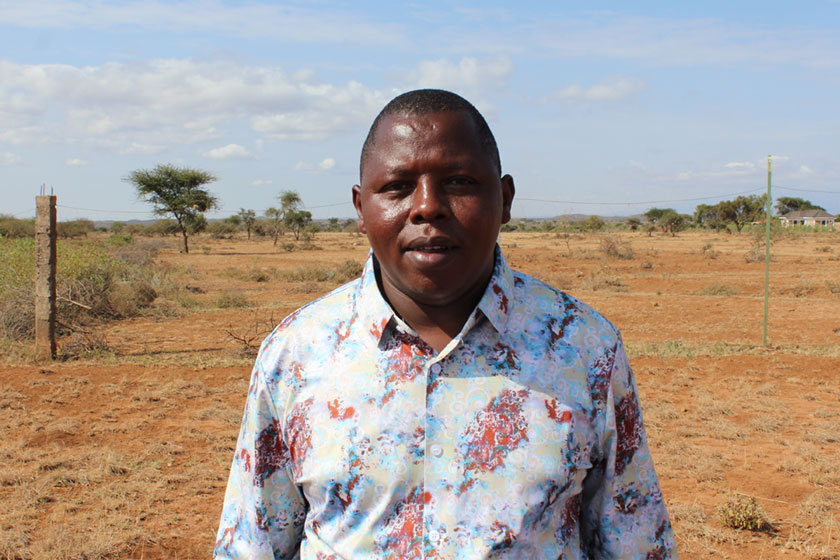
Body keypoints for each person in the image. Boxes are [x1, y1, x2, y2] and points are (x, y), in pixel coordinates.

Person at [214, 89, 677, 559]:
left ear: (505, 199)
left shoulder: (584, 347)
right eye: (397, 187)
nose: (427, 207)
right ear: (360, 209)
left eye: (458, 182)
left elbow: (635, 542)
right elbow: (252, 545)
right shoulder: (297, 353)